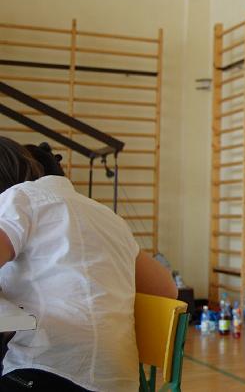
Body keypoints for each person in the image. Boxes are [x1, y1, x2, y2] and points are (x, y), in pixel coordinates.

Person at [0, 137, 177, 391]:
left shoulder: (20, 199)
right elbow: (166, 290)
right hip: (122, 383)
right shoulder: (109, 217)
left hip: (49, 370)